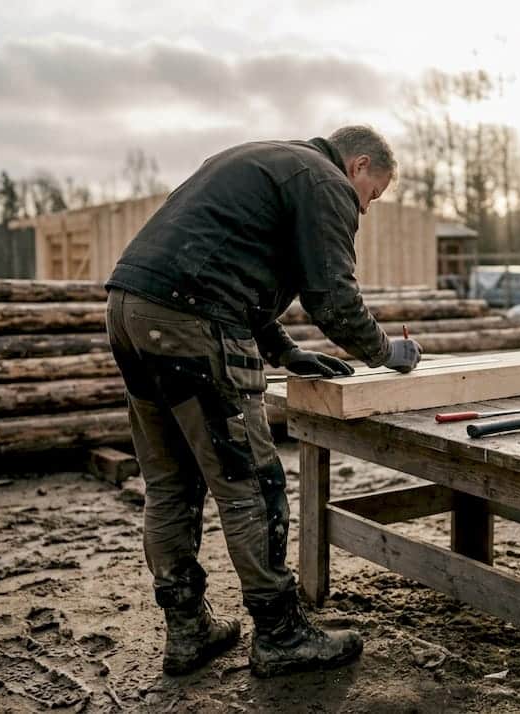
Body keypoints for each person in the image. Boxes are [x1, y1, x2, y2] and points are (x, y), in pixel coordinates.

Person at [104, 126, 422, 678]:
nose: (366, 209)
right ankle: (280, 635)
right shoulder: (324, 182)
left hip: (131, 310)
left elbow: (229, 269)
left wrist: (286, 350)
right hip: (189, 321)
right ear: (358, 164)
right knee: (251, 481)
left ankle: (187, 630)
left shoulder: (269, 161)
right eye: (373, 194)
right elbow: (332, 295)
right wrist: (385, 351)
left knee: (171, 481)